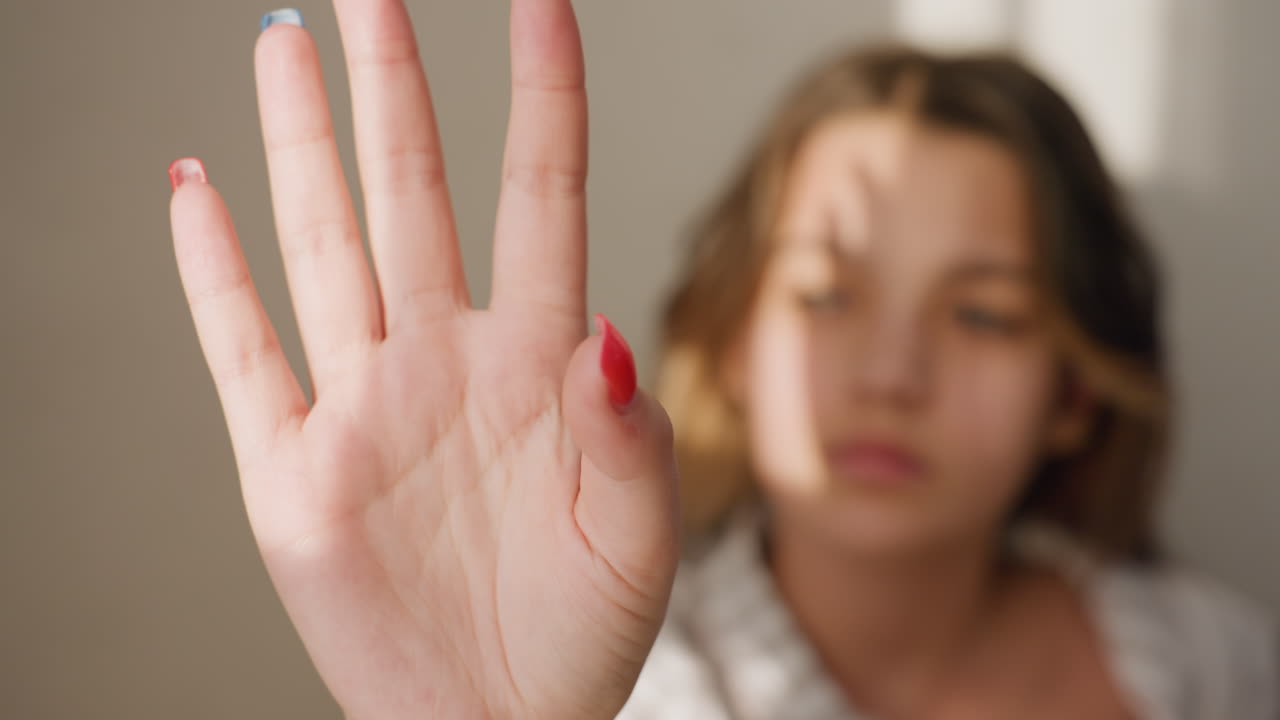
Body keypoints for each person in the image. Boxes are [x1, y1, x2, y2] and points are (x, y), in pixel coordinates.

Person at [166, 2, 1276, 718]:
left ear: (1075, 392)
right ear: (734, 340)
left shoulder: (1213, 664)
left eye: (981, 316)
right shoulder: (635, 695)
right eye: (825, 294)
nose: (890, 374)